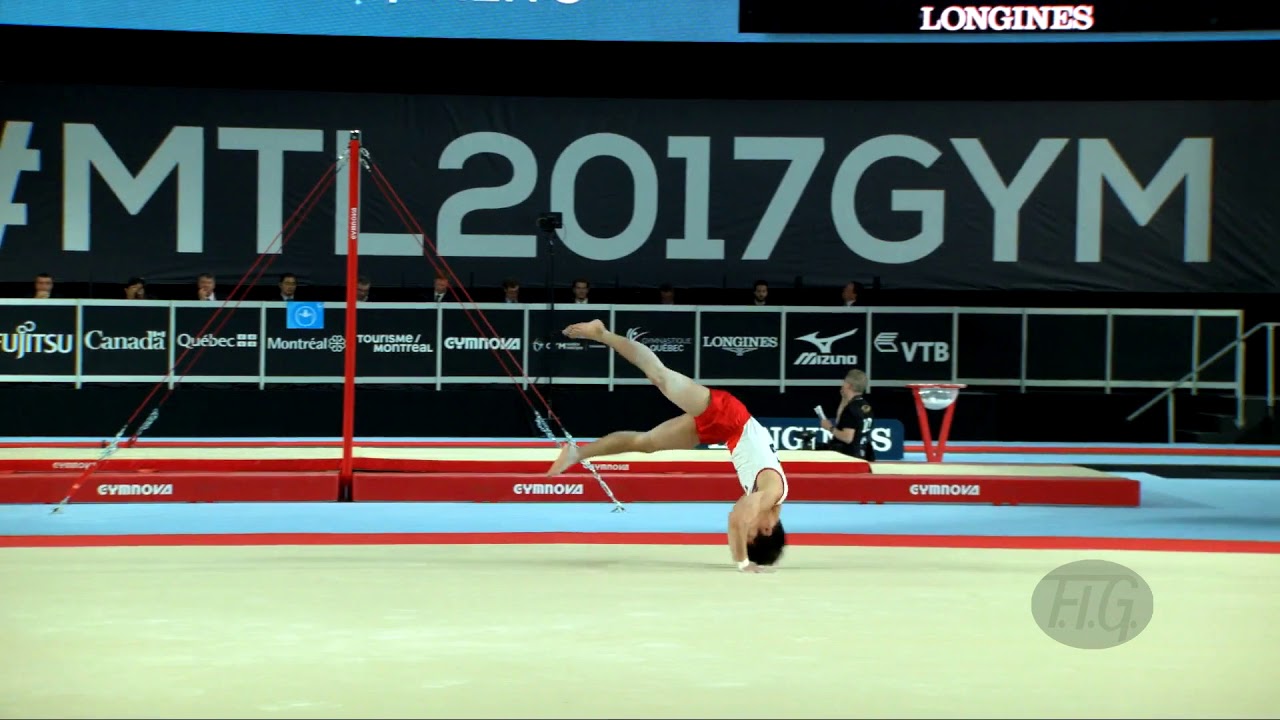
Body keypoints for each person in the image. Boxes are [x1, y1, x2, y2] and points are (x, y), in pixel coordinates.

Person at [546, 319, 787, 573]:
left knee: (646, 443)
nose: (747, 526)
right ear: (767, 528)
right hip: (730, 418)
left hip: (724, 432)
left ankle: (577, 453)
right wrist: (743, 563)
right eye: (752, 532)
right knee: (661, 377)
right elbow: (738, 517)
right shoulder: (773, 491)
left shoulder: (769, 499)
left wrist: (744, 556)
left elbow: (739, 519)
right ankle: (601, 333)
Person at [820, 369, 875, 461]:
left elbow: (847, 438)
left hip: (849, 458)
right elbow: (841, 423)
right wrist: (844, 399)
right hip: (863, 455)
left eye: (844, 382)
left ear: (849, 385)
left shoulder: (851, 409)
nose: (842, 384)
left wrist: (829, 427)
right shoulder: (865, 406)